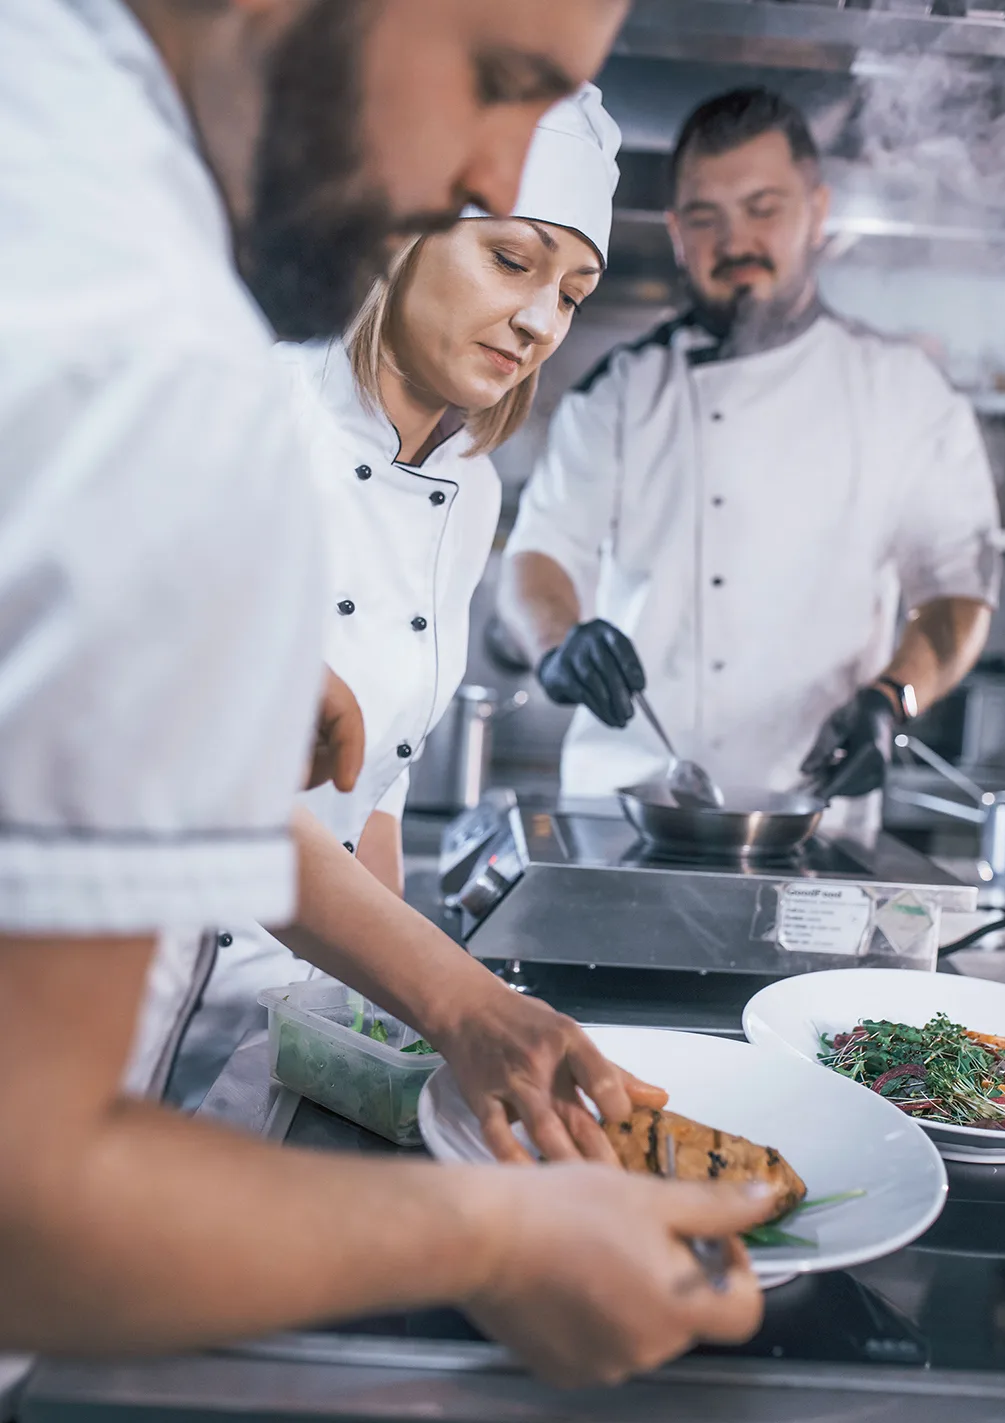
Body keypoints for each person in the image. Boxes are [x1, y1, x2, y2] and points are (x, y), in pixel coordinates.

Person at [0, 0, 770, 1382]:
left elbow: (351, 812)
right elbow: (26, 1202)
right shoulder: (161, 351)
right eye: (494, 79)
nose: (479, 172)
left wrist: (444, 1016)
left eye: (572, 288)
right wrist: (496, 1232)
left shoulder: (73, 167)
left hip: (196, 1119)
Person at [203, 86, 617, 1029]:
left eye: (571, 295)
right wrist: (454, 1006)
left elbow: (370, 805)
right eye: (513, 260)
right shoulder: (242, 415)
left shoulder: (472, 491)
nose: (541, 321)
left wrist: (374, 1026)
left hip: (286, 1023)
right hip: (120, 1007)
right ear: (404, 231)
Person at [499, 87, 1000, 841]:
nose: (735, 241)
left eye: (764, 207)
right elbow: (540, 555)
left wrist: (893, 700)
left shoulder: (904, 395)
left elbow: (957, 590)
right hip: (623, 806)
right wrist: (559, 643)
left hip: (812, 819)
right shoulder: (620, 391)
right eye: (706, 217)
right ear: (675, 232)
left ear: (817, 212)